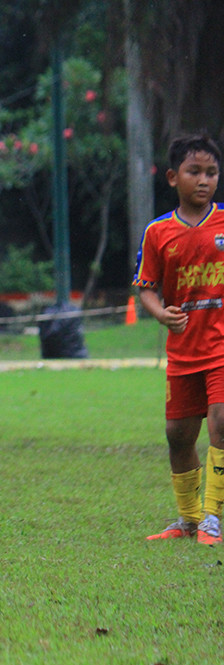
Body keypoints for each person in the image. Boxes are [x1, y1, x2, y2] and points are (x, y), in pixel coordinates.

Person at [136, 132, 224, 546]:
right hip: (184, 352)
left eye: (211, 172)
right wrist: (160, 313)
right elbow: (146, 287)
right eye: (194, 171)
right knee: (178, 435)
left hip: (221, 346)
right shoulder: (158, 233)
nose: (204, 180)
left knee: (222, 423)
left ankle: (214, 518)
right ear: (173, 177)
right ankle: (188, 520)